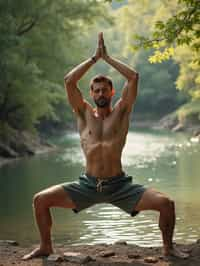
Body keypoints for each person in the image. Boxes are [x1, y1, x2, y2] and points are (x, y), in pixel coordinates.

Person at [23, 32, 188, 260]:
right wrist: (94, 58)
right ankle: (46, 246)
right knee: (40, 200)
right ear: (91, 93)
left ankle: (169, 248)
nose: (101, 93)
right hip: (88, 185)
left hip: (120, 185)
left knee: (166, 204)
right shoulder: (83, 114)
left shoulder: (122, 112)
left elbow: (134, 77)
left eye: (105, 90)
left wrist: (107, 58)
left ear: (112, 92)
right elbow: (69, 81)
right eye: (96, 90)